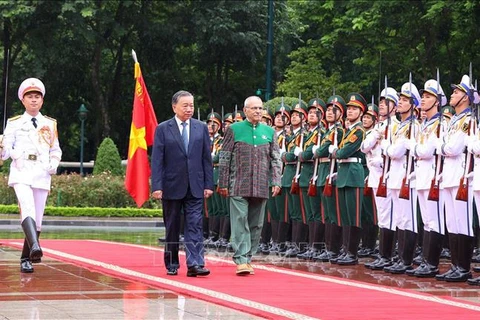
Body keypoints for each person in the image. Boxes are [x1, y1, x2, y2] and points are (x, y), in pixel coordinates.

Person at [1, 77, 62, 273]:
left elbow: (55, 149)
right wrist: (5, 148)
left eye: (37, 97)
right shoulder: (14, 123)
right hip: (21, 170)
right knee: (27, 207)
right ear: (23, 100)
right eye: (30, 97)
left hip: (42, 171)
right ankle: (36, 247)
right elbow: (5, 152)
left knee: (38, 216)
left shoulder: (50, 124)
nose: (34, 100)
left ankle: (26, 257)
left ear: (42, 100)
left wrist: (54, 163)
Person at [151, 90, 214, 277]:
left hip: (195, 185)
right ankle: (171, 262)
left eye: (192, 105)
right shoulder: (163, 128)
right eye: (185, 105)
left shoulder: (200, 127)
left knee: (195, 224)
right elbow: (157, 160)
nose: (189, 109)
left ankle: (195, 263)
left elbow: (206, 159)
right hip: (171, 185)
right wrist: (157, 186)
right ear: (174, 107)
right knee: (172, 226)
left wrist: (208, 184)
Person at [218, 96, 282, 275]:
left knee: (256, 224)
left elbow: (276, 158)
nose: (258, 111)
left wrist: (276, 180)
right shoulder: (234, 129)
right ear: (245, 111)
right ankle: (241, 259)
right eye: (254, 108)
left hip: (261, 184)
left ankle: (249, 256)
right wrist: (223, 183)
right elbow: (224, 157)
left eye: (260, 108)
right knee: (240, 221)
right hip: (238, 184)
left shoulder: (269, 132)